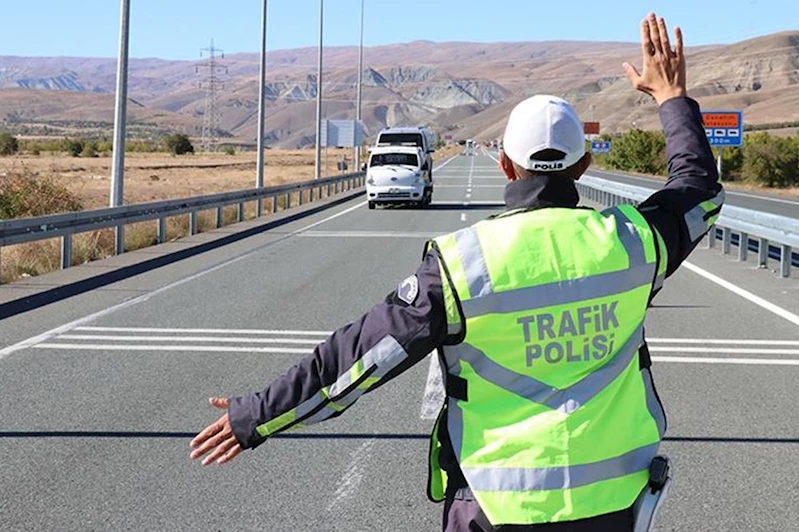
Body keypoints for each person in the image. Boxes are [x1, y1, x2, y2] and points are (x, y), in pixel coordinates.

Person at [190, 13, 723, 531]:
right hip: (616, 503)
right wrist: (671, 98)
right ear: (583, 168)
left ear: (505, 166)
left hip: (495, 507)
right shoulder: (633, 242)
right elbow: (698, 188)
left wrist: (255, 416)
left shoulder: (463, 266)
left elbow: (355, 360)